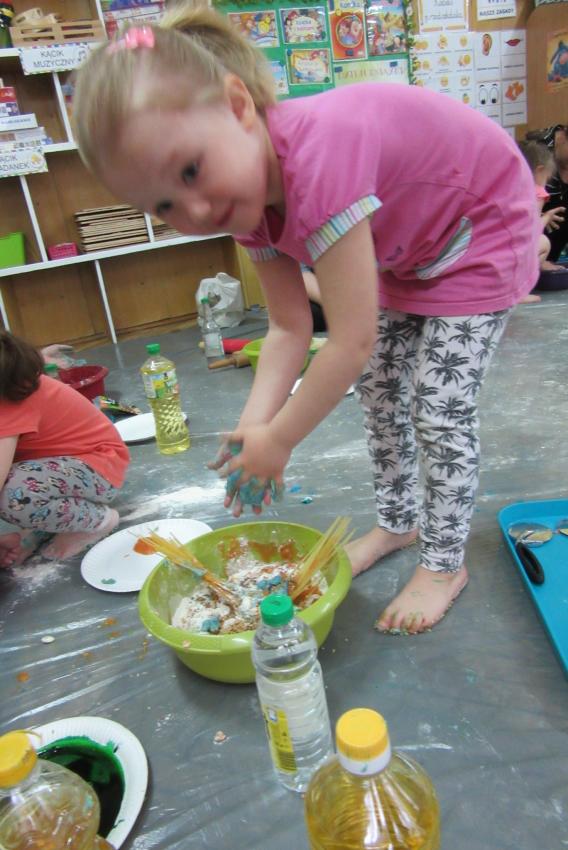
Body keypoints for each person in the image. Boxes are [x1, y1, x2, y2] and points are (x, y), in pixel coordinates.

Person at [71, 7, 539, 634]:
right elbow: (289, 328)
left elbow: (350, 340)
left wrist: (281, 439)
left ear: (238, 106)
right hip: (411, 245)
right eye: (164, 205)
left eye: (190, 171)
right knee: (379, 389)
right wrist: (255, 426)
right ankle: (399, 525)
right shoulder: (241, 198)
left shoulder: (319, 160)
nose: (196, 210)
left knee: (436, 407)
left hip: (481, 229)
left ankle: (443, 564)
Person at [0, 332, 129, 566]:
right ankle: (43, 526)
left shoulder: (9, 399)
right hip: (60, 468)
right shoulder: (9, 381)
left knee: (15, 496)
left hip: (99, 468)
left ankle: (98, 521)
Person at [517, 139, 565, 302]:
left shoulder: (513, 187)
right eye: (547, 178)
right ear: (540, 170)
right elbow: (532, 229)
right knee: (544, 242)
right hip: (518, 248)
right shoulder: (538, 192)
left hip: (499, 246)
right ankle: (519, 290)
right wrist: (546, 217)